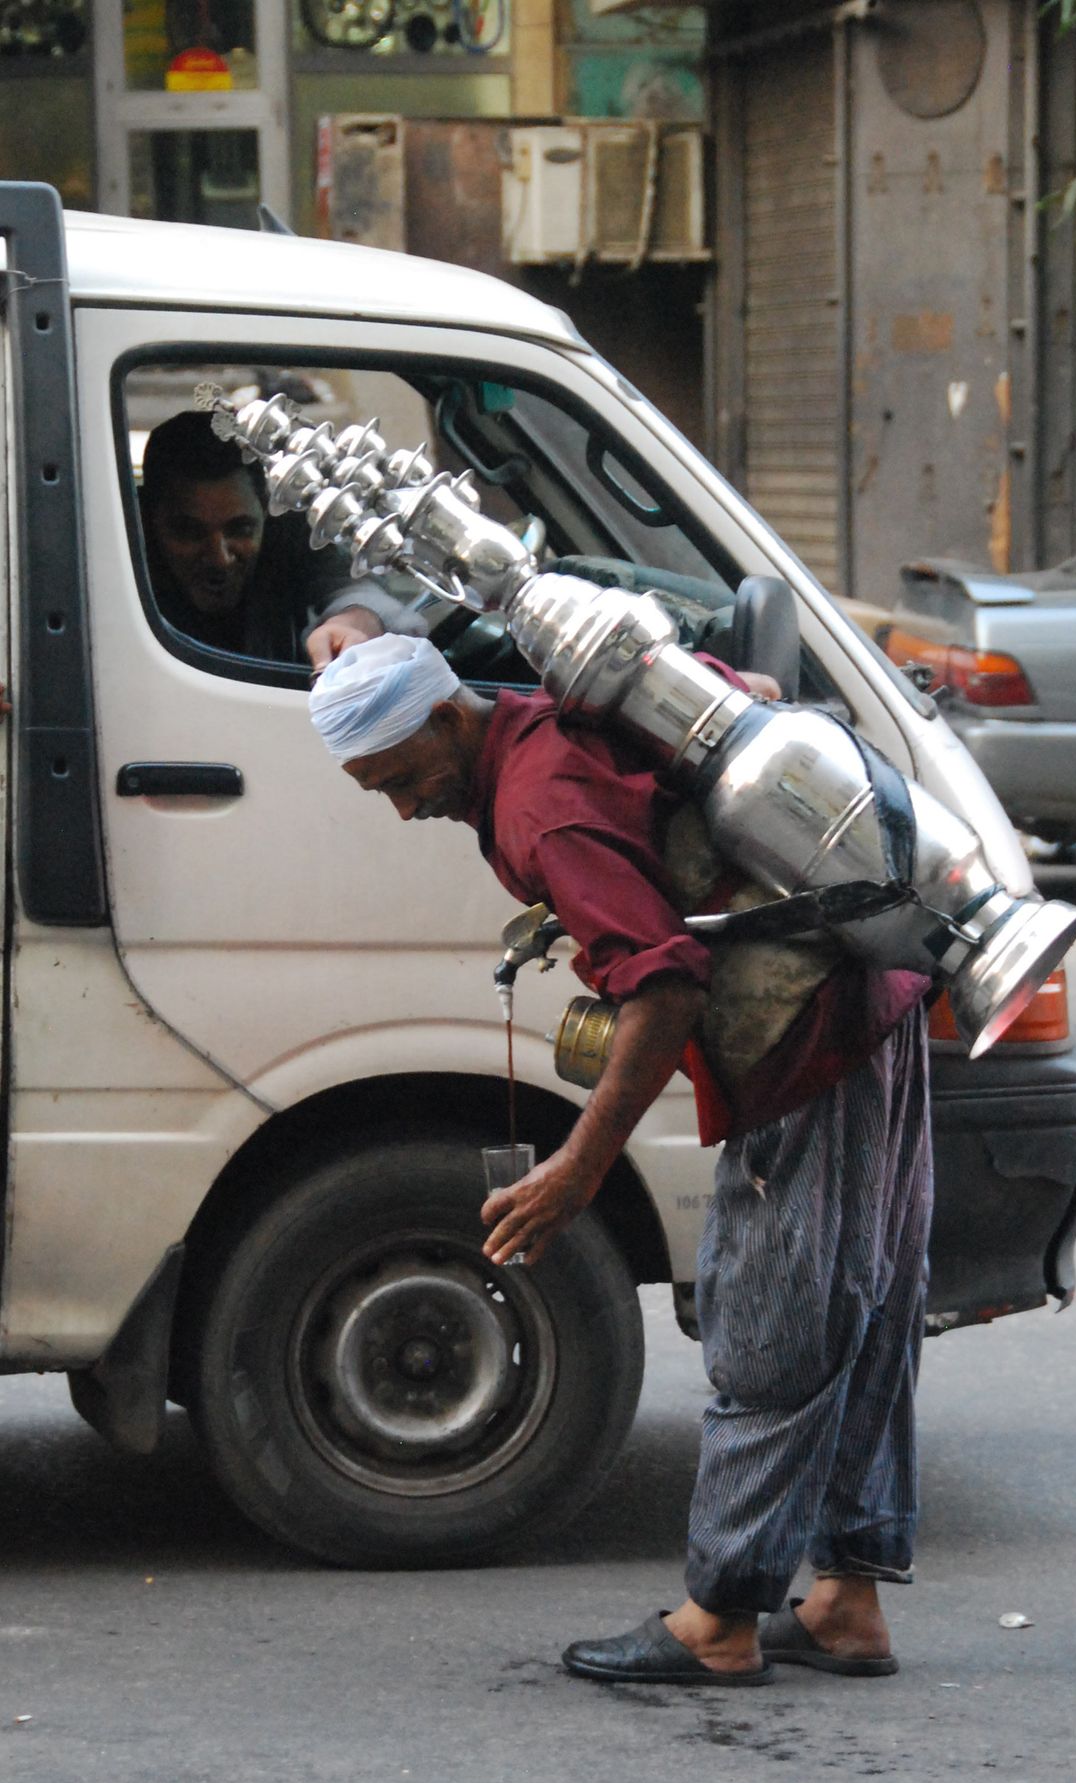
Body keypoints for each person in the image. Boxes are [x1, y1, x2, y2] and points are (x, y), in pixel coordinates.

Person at [309, 633, 934, 1689]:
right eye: (379, 793)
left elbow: (669, 987)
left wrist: (578, 1170)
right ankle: (845, 1601)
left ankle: (721, 1620)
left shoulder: (537, 803)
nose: (405, 810)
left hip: (801, 1039)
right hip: (877, 1004)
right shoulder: (566, 719)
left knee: (772, 1325)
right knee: (864, 1304)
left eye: (403, 779)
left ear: (452, 718)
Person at [138, 410, 428, 668]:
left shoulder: (288, 538)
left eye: (240, 530)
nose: (219, 557)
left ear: (266, 511)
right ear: (147, 518)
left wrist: (359, 617)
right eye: (189, 532)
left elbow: (345, 580)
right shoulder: (117, 565)